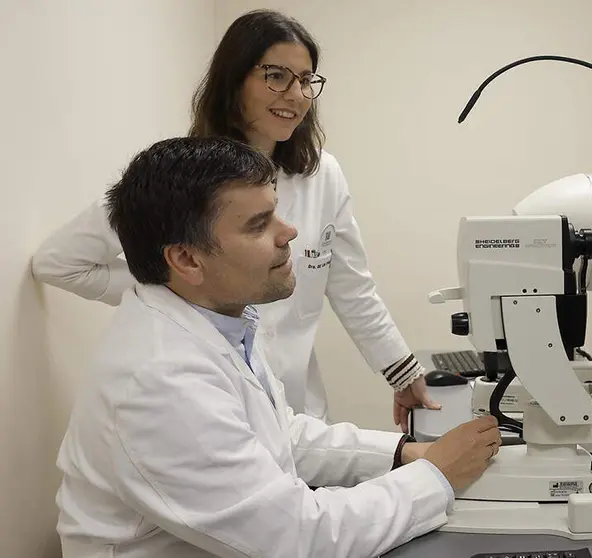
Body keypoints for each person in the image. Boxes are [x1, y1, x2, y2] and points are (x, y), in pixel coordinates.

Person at [55, 136, 501, 558]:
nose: (288, 233)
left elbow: (276, 434)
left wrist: (401, 453)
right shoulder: (159, 380)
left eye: (276, 213)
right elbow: (298, 538)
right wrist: (435, 476)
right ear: (187, 259)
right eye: (258, 225)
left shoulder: (219, 318)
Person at [30, 9, 433, 431]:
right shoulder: (182, 179)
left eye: (306, 80)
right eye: (277, 76)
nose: (295, 95)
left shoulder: (321, 174)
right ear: (234, 79)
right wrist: (175, 286)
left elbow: (352, 287)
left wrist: (403, 373)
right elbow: (58, 262)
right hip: (210, 409)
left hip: (297, 415)